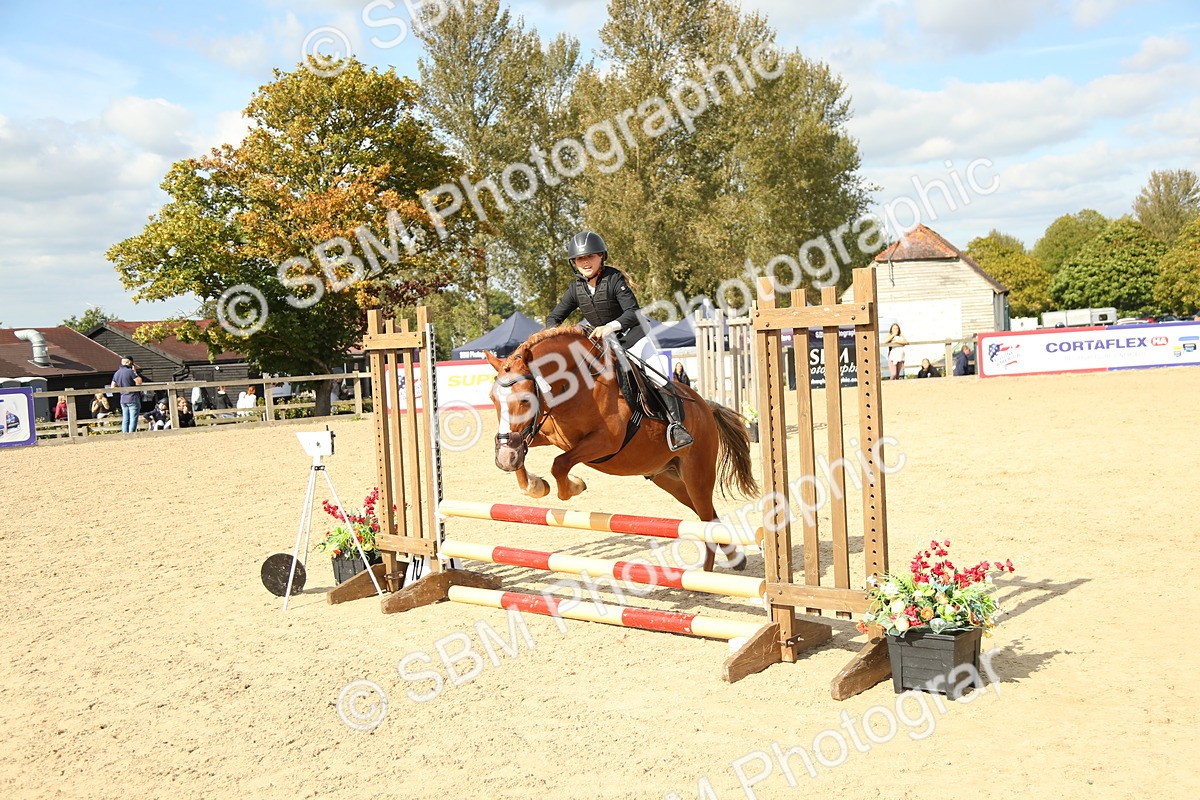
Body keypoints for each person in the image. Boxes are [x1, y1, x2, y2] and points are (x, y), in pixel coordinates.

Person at [546, 231, 693, 450]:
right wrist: (552, 335)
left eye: (590, 257)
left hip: (634, 339)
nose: (585, 262)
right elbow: (554, 317)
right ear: (574, 262)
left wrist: (610, 326)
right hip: (605, 346)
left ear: (601, 257)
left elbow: (633, 312)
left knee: (656, 376)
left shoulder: (614, 279)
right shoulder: (575, 288)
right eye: (580, 259)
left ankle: (678, 427)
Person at [112, 357, 143, 433]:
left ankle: (124, 433)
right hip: (132, 397)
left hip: (123, 398)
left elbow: (112, 386)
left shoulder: (117, 373)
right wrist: (135, 372)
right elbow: (139, 382)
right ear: (129, 362)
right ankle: (131, 434)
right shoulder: (130, 372)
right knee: (133, 418)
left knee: (125, 418)